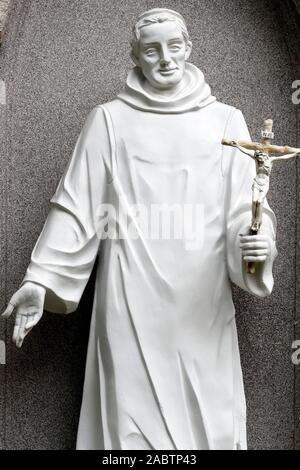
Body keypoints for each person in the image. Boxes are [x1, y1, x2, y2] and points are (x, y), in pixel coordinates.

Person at [1, 8, 278, 450]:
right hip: (130, 293)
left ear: (188, 48)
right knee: (129, 423)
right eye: (152, 50)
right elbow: (76, 207)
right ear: (136, 57)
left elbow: (247, 208)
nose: (165, 59)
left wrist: (258, 245)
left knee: (207, 420)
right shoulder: (109, 121)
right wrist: (42, 279)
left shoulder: (226, 122)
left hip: (200, 300)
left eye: (173, 47)